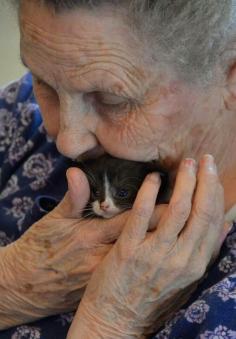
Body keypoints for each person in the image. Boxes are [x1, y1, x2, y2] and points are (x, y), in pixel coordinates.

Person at [0, 0, 235, 337]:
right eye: (43, 82)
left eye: (112, 99)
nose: (67, 141)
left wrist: (109, 322)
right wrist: (12, 284)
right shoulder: (19, 117)